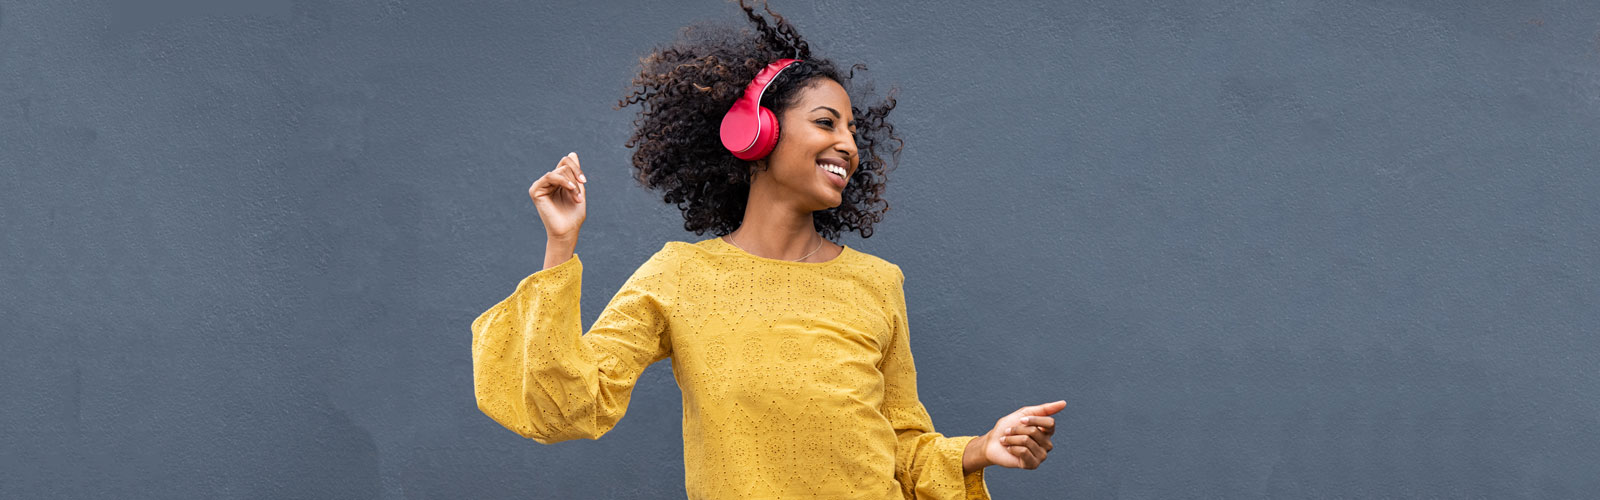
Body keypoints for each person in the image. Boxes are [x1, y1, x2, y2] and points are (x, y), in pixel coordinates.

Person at [471, 1, 1064, 497]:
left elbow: (903, 448)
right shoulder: (680, 275)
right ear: (756, 130)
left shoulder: (878, 283)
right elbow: (568, 403)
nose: (848, 145)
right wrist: (560, 243)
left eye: (854, 131)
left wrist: (982, 449)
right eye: (828, 123)